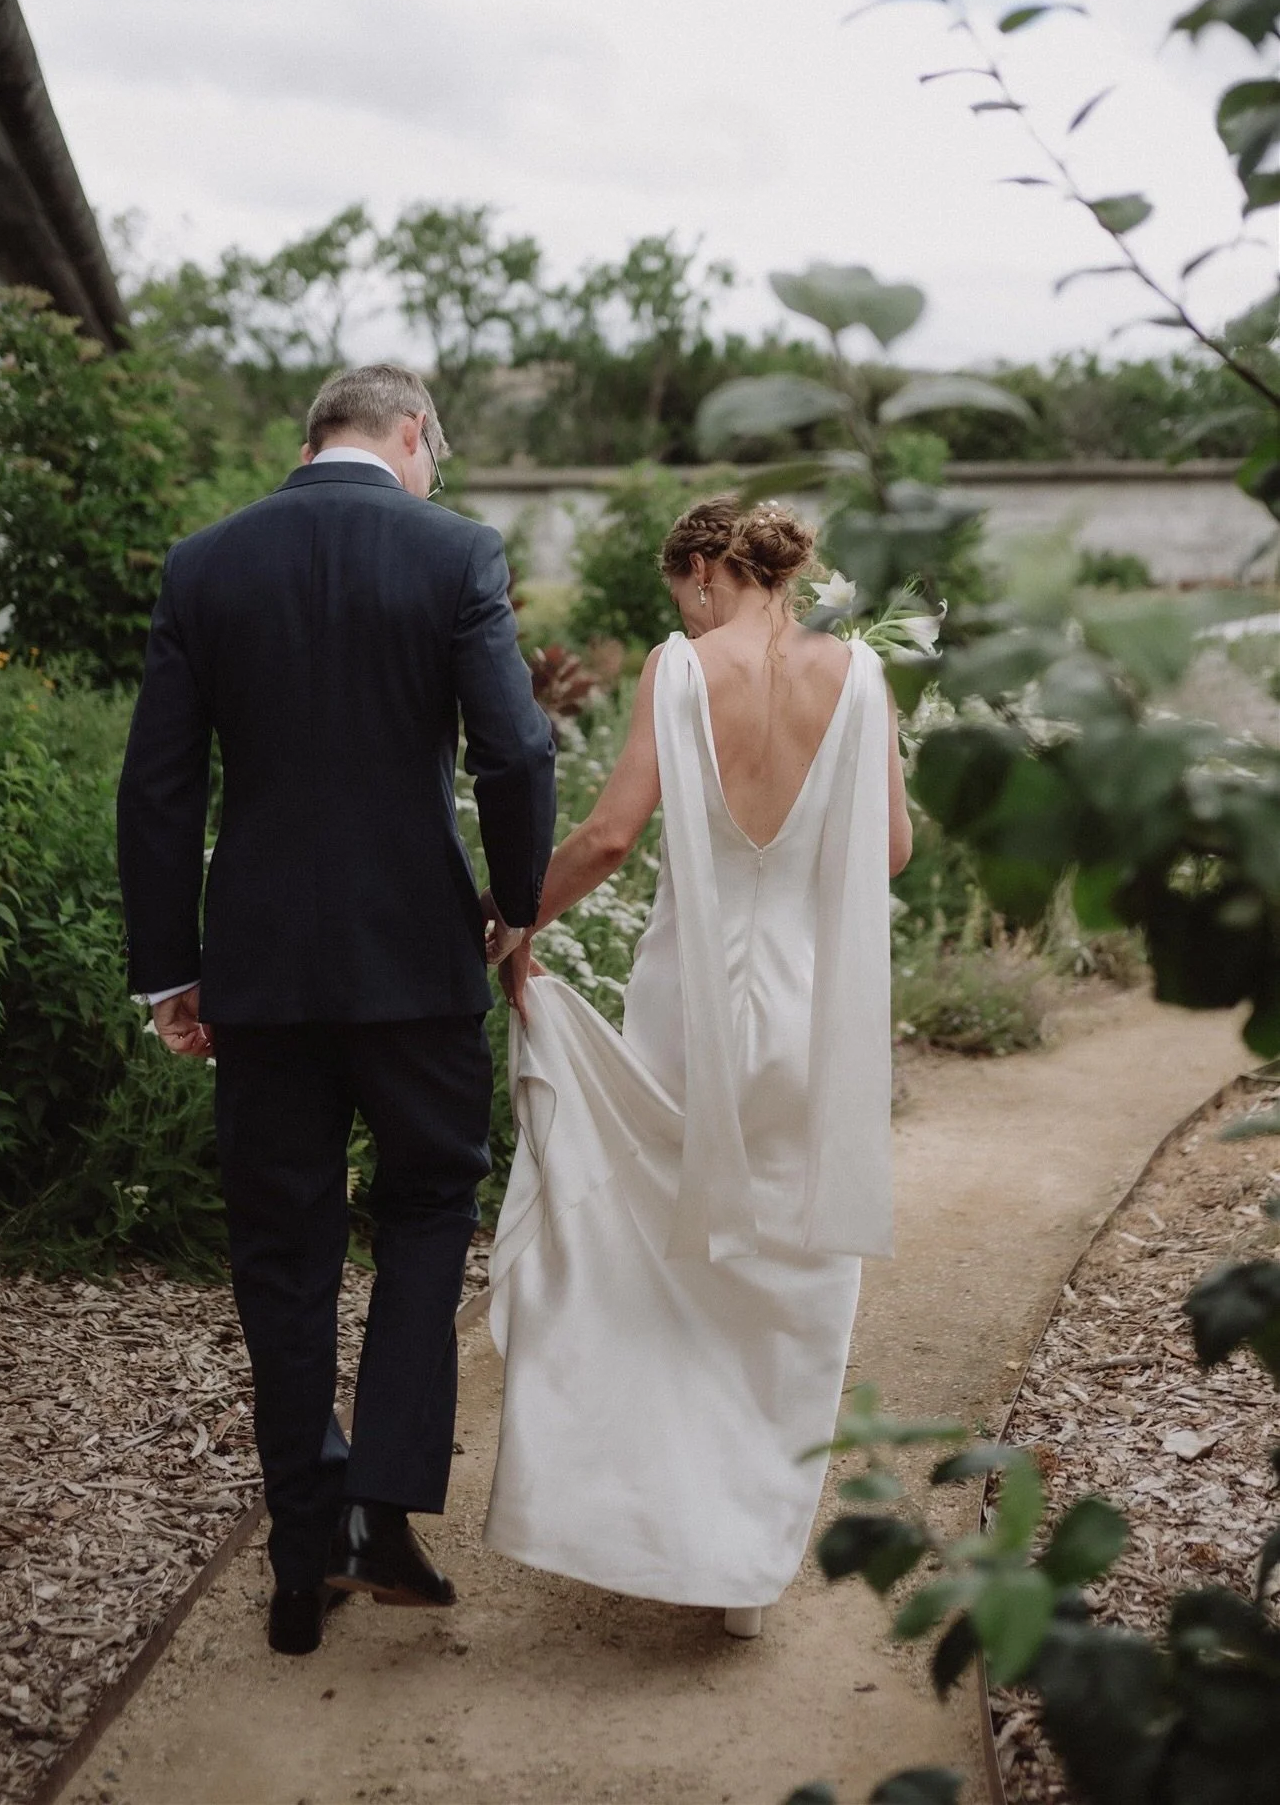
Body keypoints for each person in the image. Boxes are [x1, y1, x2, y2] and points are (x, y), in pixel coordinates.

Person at [116, 364, 556, 1655]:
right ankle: (382, 1515)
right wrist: (516, 900)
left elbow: (157, 787)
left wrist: (169, 969)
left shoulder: (207, 564)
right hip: (418, 961)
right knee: (427, 1209)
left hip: (259, 969)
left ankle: (301, 1556)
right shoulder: (454, 551)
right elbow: (516, 748)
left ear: (312, 438)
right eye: (436, 454)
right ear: (410, 435)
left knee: (281, 1246)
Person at [482, 495, 909, 1639]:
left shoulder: (678, 669)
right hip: (812, 1004)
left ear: (711, 568)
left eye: (688, 591)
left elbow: (611, 835)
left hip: (692, 1003)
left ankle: (665, 1522)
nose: (689, 609)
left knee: (677, 1258)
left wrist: (516, 918)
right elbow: (893, 850)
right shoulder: (857, 674)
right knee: (790, 1274)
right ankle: (745, 1568)